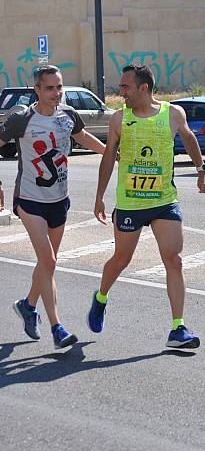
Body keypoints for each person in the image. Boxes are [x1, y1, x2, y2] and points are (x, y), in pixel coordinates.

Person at [88, 64, 205, 349]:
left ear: (143, 88)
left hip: (164, 201)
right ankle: (101, 298)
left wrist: (201, 170)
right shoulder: (120, 119)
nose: (120, 93)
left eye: (125, 87)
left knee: (174, 259)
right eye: (120, 87)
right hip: (131, 202)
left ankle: (178, 328)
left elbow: (190, 139)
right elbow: (108, 158)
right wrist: (99, 196)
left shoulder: (172, 114)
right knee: (121, 259)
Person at [0, 65, 107, 349]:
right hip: (30, 200)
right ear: (36, 89)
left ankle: (27, 304)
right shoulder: (22, 117)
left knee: (46, 265)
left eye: (59, 87)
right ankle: (57, 328)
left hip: (59, 200)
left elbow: (81, 136)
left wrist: (110, 153)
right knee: (49, 262)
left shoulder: (67, 114)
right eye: (49, 88)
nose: (56, 93)